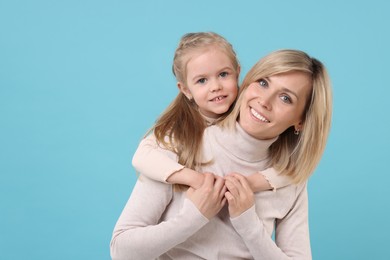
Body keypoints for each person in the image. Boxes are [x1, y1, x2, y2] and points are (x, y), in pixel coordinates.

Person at [110, 49, 332, 259]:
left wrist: (248, 224)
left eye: (286, 98)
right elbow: (121, 251)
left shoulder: (289, 180)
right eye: (263, 83)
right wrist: (193, 217)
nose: (264, 101)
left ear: (301, 121)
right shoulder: (178, 147)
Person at [132, 32, 291, 192]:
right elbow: (141, 157)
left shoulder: (252, 116)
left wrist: (251, 183)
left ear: (237, 73)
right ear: (186, 90)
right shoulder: (181, 130)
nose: (215, 86)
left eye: (223, 74)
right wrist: (194, 178)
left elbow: (294, 169)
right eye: (202, 80)